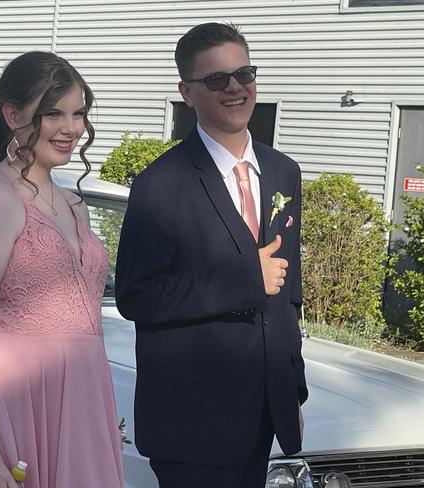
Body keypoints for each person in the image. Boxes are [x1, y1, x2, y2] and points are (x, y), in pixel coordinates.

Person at [115, 23, 308, 488]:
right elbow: (136, 297)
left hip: (263, 414)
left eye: (244, 73)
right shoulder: (160, 185)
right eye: (217, 79)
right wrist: (243, 278)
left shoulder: (283, 171)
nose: (236, 87)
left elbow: (290, 296)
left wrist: (292, 395)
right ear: (187, 92)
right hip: (192, 422)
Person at [0, 51, 124, 488]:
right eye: (52, 113)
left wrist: (95, 405)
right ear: (12, 114)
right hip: (16, 405)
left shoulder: (73, 203)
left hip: (80, 406)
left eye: (78, 114)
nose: (71, 129)